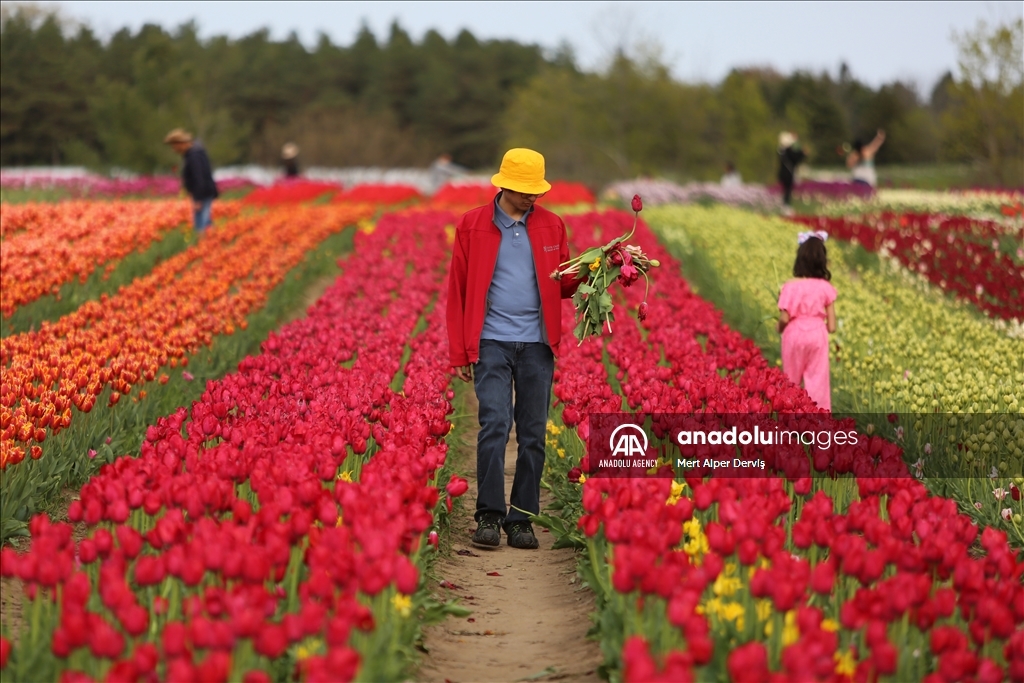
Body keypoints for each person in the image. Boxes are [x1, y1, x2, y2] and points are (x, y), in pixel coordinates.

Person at [447, 148, 581, 550]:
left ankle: (521, 518)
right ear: (503, 184)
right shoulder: (472, 226)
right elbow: (458, 291)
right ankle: (488, 515)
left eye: (535, 191)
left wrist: (595, 269)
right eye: (524, 190)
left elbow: (563, 285)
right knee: (494, 425)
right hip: (491, 341)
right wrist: (460, 352)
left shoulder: (552, 226)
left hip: (538, 343)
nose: (531, 197)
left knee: (534, 433)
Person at [777, 231, 838, 411]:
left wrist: (779, 327)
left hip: (793, 335)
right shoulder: (826, 288)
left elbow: (784, 318)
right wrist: (817, 324)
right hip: (817, 335)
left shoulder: (789, 287)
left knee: (791, 379)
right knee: (817, 381)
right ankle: (816, 424)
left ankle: (789, 419)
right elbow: (832, 327)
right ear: (823, 261)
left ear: (799, 260)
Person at [164, 129, 219, 233]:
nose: (173, 149)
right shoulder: (195, 153)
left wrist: (198, 199)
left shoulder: (194, 156)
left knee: (201, 225)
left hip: (202, 194)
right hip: (205, 192)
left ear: (181, 143)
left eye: (174, 145)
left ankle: (206, 246)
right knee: (206, 223)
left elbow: (199, 178)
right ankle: (212, 244)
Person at [777, 132, 806, 213]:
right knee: (788, 190)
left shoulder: (780, 150)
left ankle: (785, 205)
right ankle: (786, 206)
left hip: (783, 173)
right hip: (788, 173)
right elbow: (795, 158)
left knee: (786, 190)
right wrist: (802, 153)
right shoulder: (787, 150)